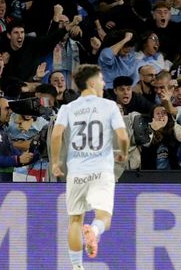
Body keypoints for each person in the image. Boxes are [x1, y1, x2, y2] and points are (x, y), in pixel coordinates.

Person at [50, 64, 130, 269]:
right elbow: (122, 136)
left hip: (76, 171)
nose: (104, 84)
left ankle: (77, 267)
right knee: (104, 217)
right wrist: (123, 152)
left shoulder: (67, 108)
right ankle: (94, 231)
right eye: (102, 79)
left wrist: (55, 161)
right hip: (101, 170)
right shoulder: (109, 106)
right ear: (92, 83)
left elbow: (57, 135)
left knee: (75, 220)